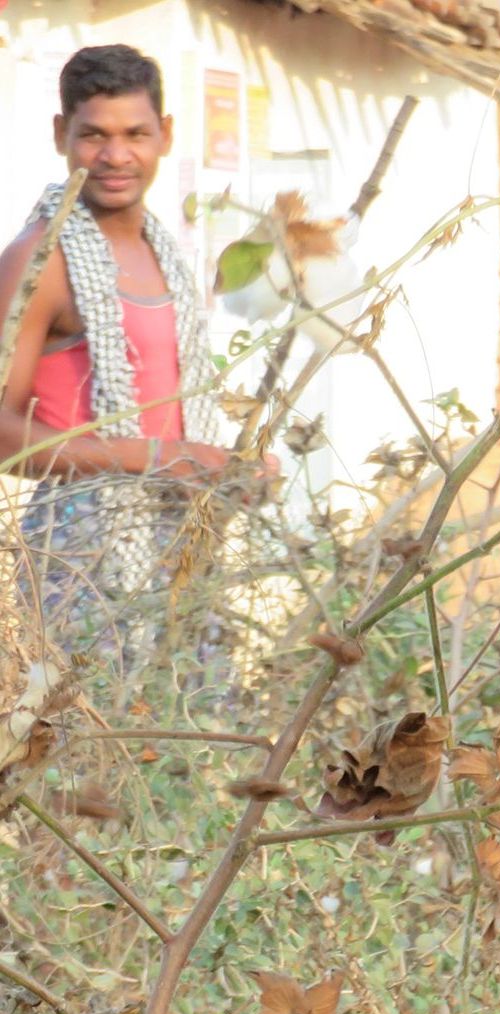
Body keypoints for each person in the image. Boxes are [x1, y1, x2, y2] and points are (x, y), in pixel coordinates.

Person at [0, 44, 269, 646]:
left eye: (135, 134)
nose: (116, 157)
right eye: (93, 135)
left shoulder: (164, 252)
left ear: (165, 135)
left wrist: (233, 469)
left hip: (181, 543)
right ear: (59, 135)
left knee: (189, 728)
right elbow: (0, 434)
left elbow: (171, 416)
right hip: (79, 554)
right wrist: (160, 459)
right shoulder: (40, 259)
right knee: (90, 730)